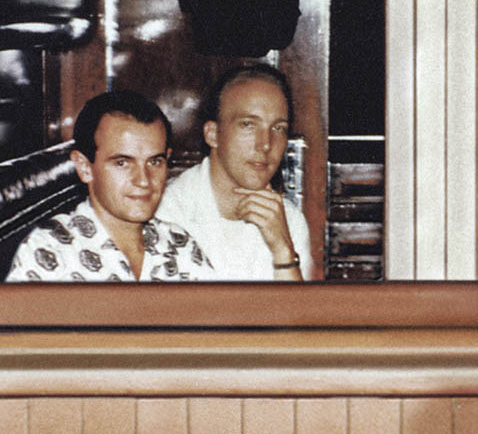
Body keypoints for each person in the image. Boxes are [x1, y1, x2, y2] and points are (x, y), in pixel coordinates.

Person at [6, 91, 215, 282]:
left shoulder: (179, 245)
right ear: (85, 167)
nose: (143, 180)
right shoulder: (50, 252)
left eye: (155, 162)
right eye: (122, 163)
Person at [156, 64, 312, 280]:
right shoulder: (165, 215)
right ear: (213, 134)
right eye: (248, 125)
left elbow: (302, 304)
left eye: (278, 128)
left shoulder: (288, 220)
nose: (266, 144)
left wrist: (283, 251)